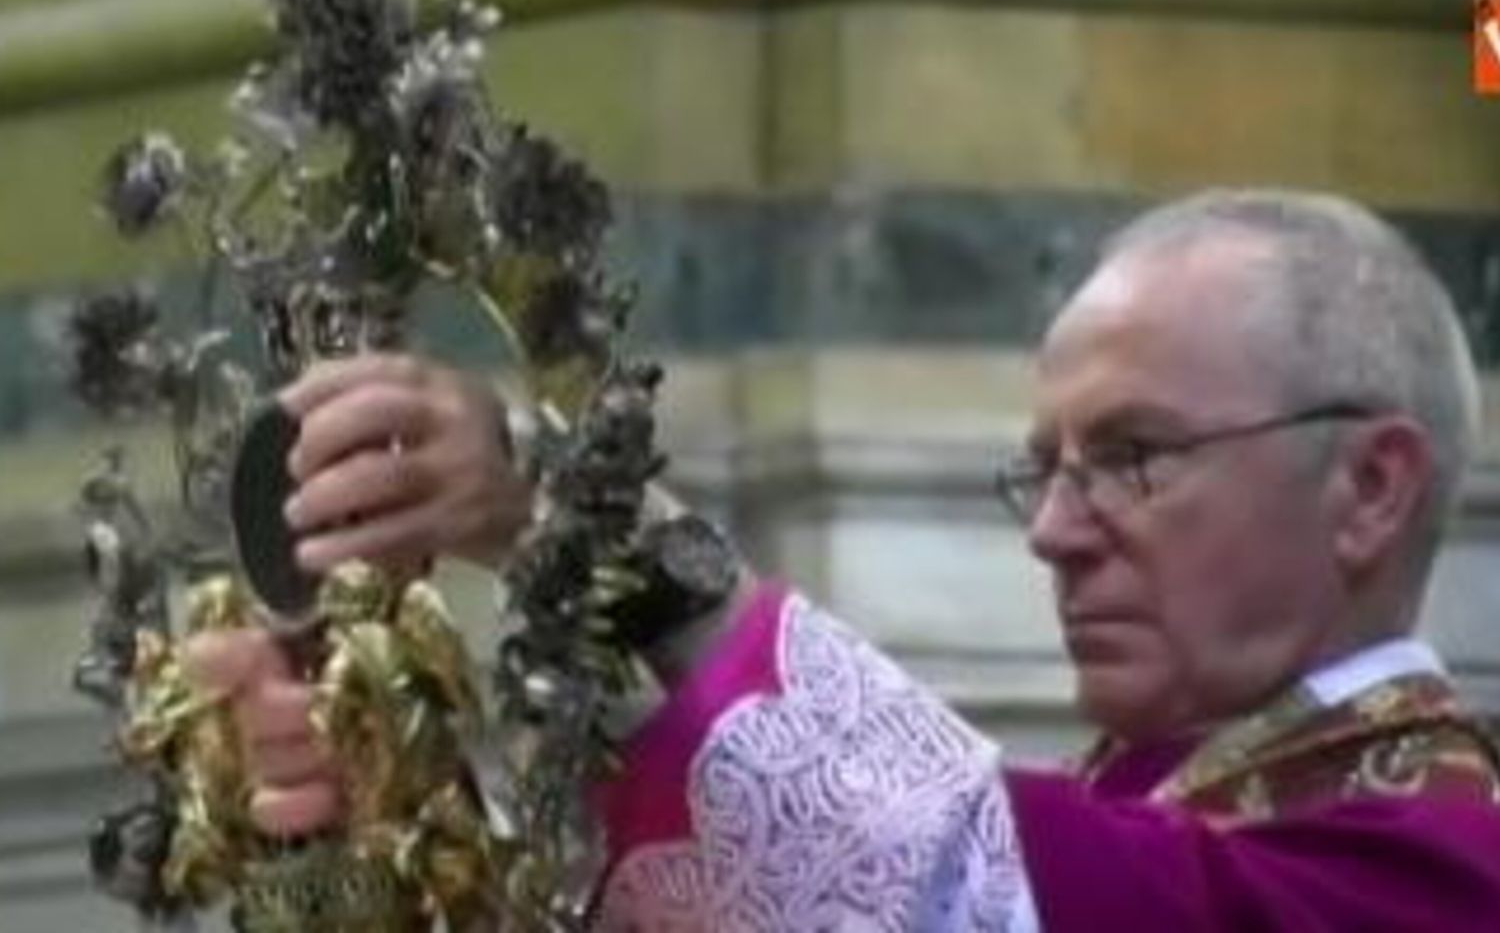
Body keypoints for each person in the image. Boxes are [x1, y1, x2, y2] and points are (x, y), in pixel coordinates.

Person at [187, 189, 1500, 930]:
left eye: (1136, 456)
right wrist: (383, 805)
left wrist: (564, 509)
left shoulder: (1443, 870)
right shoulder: (1152, 808)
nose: (1052, 530)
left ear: (1371, 490)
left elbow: (964, 885)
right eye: (1045, 468)